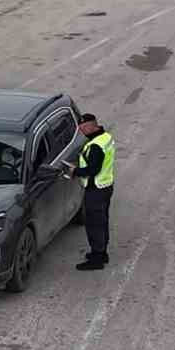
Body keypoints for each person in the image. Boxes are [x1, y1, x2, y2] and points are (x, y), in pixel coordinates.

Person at [69, 113, 116, 271]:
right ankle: (102, 253)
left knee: (94, 224)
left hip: (95, 189)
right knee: (102, 222)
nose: (81, 131)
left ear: (91, 126)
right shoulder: (106, 137)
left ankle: (97, 260)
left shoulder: (95, 146)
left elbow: (92, 169)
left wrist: (75, 171)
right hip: (106, 185)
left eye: (83, 127)